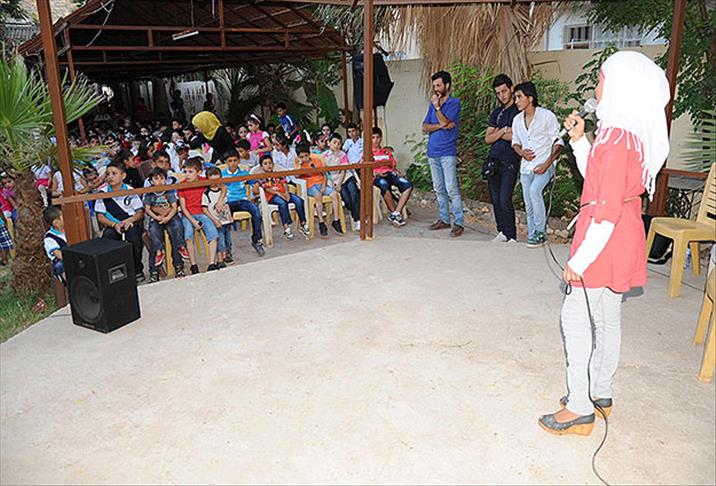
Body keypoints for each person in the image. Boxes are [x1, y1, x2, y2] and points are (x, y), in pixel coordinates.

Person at [538, 51, 671, 436]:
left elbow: (605, 208)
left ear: (619, 87)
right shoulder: (626, 134)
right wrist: (580, 141)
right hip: (621, 232)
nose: (597, 88)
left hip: (604, 234)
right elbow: (597, 180)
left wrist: (579, 261)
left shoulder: (615, 141)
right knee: (608, 316)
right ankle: (600, 392)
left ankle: (579, 408)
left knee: (575, 317)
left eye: (600, 80)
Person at [511, 81, 563, 248]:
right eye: (515, 98)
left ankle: (540, 232)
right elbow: (515, 142)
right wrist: (521, 152)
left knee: (535, 192)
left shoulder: (547, 116)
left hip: (544, 165)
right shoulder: (517, 120)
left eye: (519, 97)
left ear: (530, 98)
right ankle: (533, 234)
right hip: (526, 168)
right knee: (528, 202)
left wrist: (547, 164)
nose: (516, 101)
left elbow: (558, 142)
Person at [422, 70, 465, 237]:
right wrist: (441, 126)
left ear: (447, 85)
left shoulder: (454, 103)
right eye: (434, 86)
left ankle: (459, 222)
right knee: (438, 188)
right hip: (432, 152)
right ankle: (444, 219)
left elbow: (446, 121)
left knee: (451, 188)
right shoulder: (432, 105)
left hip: (447, 152)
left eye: (439, 85)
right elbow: (425, 126)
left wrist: (438, 108)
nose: (436, 89)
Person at [94, 161, 146, 283]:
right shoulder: (103, 193)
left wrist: (131, 220)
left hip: (130, 222)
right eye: (108, 174)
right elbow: (100, 217)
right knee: (108, 238)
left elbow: (139, 212)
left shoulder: (130, 190)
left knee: (134, 238)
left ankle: (137, 269)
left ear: (123, 175)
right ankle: (116, 272)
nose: (110, 177)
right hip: (112, 224)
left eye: (114, 173)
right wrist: (115, 224)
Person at [485, 74, 521, 243]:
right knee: (495, 199)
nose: (502, 96)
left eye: (504, 91)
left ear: (511, 88)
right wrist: (503, 130)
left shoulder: (519, 110)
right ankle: (502, 231)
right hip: (494, 161)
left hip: (510, 161)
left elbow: (518, 136)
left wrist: (499, 133)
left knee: (505, 199)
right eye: (498, 93)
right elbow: (488, 138)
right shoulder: (496, 113)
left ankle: (511, 235)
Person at [143, 167, 188, 282]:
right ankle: (154, 270)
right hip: (156, 218)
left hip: (171, 216)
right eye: (156, 179)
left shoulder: (168, 190)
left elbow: (174, 206)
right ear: (151, 181)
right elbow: (147, 209)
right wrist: (157, 217)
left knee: (176, 229)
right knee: (154, 234)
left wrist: (167, 217)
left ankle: (179, 265)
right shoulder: (149, 193)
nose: (159, 181)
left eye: (162, 178)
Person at [178, 157, 220, 274]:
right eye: (185, 171)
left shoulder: (205, 181)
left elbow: (221, 187)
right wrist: (193, 221)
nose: (187, 174)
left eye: (190, 172)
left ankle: (212, 263)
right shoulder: (181, 185)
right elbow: (183, 208)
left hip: (203, 212)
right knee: (188, 236)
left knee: (213, 233)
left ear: (199, 172)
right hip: (188, 215)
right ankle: (193, 264)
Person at [221, 149, 266, 258]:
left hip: (242, 200)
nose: (233, 163)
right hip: (228, 202)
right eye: (230, 161)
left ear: (239, 161)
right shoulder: (222, 175)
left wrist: (255, 185)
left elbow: (254, 182)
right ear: (226, 162)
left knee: (256, 212)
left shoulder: (244, 173)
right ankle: (227, 249)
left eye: (235, 160)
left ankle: (256, 241)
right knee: (225, 220)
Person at [294, 143, 342, 237]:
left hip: (321, 183)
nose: (305, 158)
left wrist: (323, 186)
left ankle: (336, 220)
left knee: (334, 194)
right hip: (309, 185)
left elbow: (324, 175)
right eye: (302, 157)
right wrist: (300, 165)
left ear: (309, 154)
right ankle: (321, 222)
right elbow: (296, 176)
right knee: (318, 195)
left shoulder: (317, 161)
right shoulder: (298, 164)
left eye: (306, 156)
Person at [258, 154, 310, 241]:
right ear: (261, 166)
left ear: (273, 164)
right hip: (272, 196)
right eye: (265, 163)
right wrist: (278, 193)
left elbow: (284, 183)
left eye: (270, 163)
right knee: (282, 203)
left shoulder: (278, 174)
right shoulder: (261, 177)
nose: (268, 165)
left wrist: (286, 193)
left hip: (284, 193)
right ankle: (286, 228)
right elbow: (266, 189)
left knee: (299, 200)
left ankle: (303, 223)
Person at [371, 127, 413, 227]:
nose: (376, 140)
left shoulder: (386, 152)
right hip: (377, 176)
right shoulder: (368, 154)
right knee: (384, 185)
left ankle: (395, 213)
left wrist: (396, 171)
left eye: (378, 137)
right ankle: (394, 212)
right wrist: (376, 173)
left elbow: (393, 165)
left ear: (381, 138)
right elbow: (365, 169)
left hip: (390, 173)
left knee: (408, 185)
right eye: (373, 138)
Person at [325, 132, 361, 230]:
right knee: (346, 198)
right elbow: (325, 172)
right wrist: (335, 184)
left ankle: (357, 219)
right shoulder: (324, 156)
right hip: (335, 180)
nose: (337, 145)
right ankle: (356, 214)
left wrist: (340, 184)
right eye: (334, 142)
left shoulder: (342, 154)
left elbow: (344, 171)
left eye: (339, 143)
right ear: (328, 143)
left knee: (354, 192)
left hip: (346, 177)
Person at [202, 167, 232, 268]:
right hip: (217, 221)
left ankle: (227, 255)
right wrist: (214, 220)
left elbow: (226, 204)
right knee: (220, 241)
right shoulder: (206, 193)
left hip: (225, 220)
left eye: (217, 180)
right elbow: (205, 209)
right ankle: (220, 260)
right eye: (212, 180)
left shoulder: (222, 191)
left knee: (228, 240)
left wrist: (230, 216)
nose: (215, 183)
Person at [42, 206, 66, 282]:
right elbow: (58, 254)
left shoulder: (69, 230)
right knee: (59, 266)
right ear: (56, 223)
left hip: (74, 257)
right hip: (62, 260)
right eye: (62, 216)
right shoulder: (49, 238)